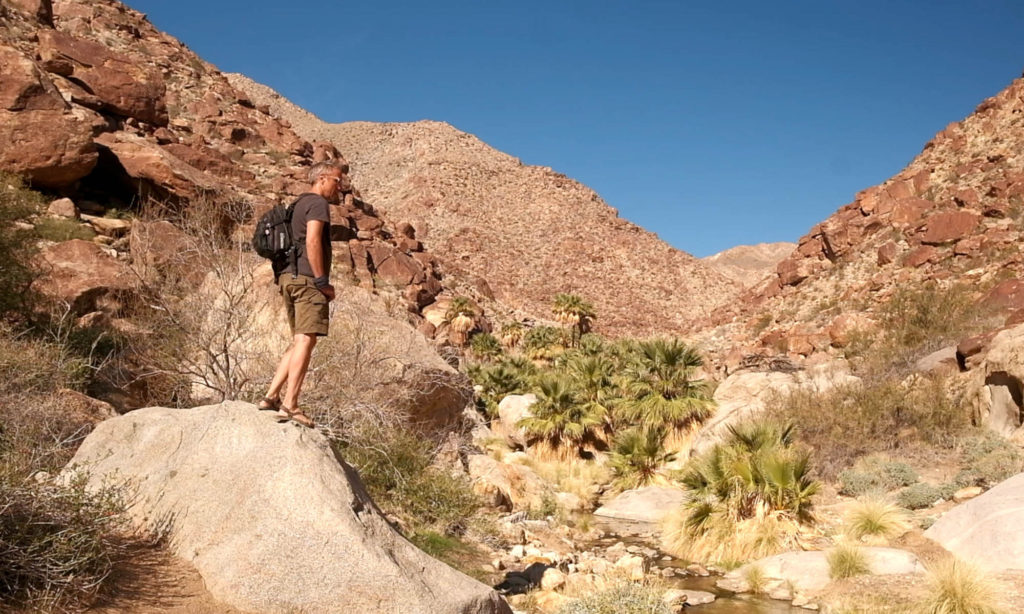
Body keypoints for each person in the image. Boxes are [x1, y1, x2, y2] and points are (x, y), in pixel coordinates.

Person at [258, 161, 344, 427]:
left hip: (288, 278)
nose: (339, 187)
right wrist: (322, 280)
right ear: (321, 179)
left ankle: (271, 396)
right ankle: (290, 404)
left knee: (299, 340)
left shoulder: (296, 205)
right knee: (306, 340)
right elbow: (313, 240)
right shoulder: (318, 204)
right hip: (307, 280)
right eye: (337, 181)